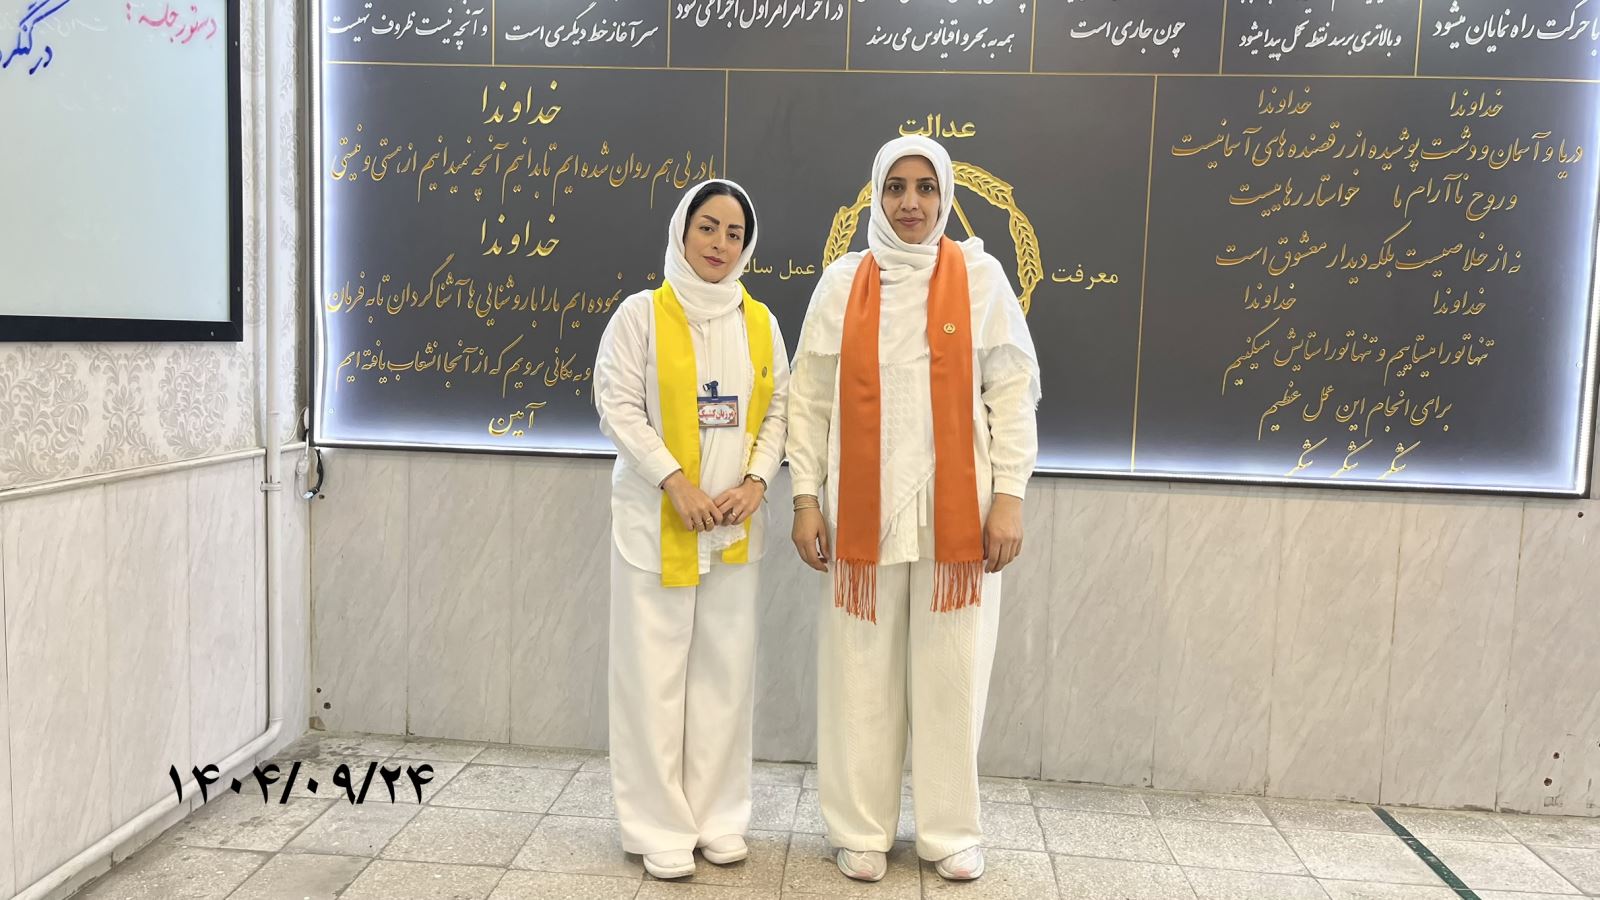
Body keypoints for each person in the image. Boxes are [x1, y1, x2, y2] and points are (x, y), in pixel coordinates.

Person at [786, 136, 1040, 883]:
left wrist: (1010, 498)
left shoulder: (982, 278)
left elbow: (1011, 395)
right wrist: (806, 499)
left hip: (957, 517)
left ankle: (949, 832)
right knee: (858, 674)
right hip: (861, 516)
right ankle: (860, 829)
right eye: (895, 187)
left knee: (952, 676)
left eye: (926, 187)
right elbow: (808, 401)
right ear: (876, 195)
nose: (910, 202)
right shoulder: (842, 282)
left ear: (946, 198)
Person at [593, 179, 789, 880]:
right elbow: (616, 404)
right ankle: (657, 826)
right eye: (708, 227)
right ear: (682, 231)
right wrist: (674, 481)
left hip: (732, 529)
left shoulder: (760, 322)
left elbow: (780, 410)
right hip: (658, 523)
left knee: (724, 678)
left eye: (735, 234)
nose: (720, 244)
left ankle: (718, 818)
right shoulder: (640, 315)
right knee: (652, 679)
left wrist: (756, 482)